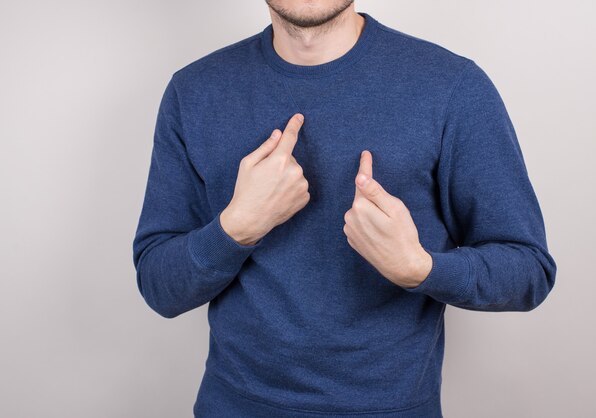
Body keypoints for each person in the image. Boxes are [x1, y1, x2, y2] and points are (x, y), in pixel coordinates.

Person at [132, 1, 558, 417]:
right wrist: (237, 227)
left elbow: (528, 269)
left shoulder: (453, 87)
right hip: (231, 405)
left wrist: (421, 268)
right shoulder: (194, 91)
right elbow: (159, 286)